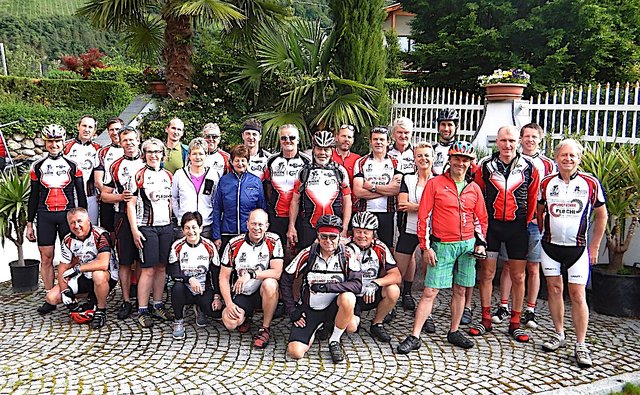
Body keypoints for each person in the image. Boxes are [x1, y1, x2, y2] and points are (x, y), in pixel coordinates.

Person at [397, 141, 488, 353]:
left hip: (467, 247)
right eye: (457, 158)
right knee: (430, 291)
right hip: (442, 244)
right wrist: (425, 247)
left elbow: (480, 219)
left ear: (470, 164)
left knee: (460, 290)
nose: (460, 163)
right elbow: (423, 217)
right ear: (450, 159)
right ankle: (414, 335)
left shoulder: (474, 188)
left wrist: (481, 244)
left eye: (465, 160)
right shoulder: (436, 184)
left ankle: (454, 331)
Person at [538, 139, 607, 368]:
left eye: (572, 156)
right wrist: (543, 233)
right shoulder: (546, 182)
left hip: (578, 249)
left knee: (577, 294)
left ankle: (581, 344)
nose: (568, 159)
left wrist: (594, 246)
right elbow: (540, 211)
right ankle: (559, 334)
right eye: (563, 155)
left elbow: (601, 216)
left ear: (579, 158)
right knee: (554, 290)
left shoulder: (590, 183)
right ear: (556, 157)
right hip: (550, 246)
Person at [471, 125, 540, 342]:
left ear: (517, 141)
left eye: (511, 140)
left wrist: (524, 222)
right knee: (487, 274)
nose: (507, 145)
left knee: (519, 276)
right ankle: (486, 319)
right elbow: (478, 195)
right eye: (503, 141)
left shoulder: (530, 167)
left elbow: (532, 199)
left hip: (517, 227)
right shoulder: (486, 166)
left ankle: (515, 323)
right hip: (491, 227)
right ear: (497, 142)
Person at [495, 123, 556, 329]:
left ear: (540, 140)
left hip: (535, 222)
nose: (530, 140)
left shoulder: (548, 164)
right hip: (515, 221)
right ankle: (503, 305)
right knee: (509, 265)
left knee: (533, 266)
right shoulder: (513, 160)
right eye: (526, 136)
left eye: (534, 137)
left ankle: (530, 309)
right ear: (520, 139)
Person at [280, 215, 362, 363]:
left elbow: (357, 285)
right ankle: (322, 327)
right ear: (317, 236)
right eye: (324, 236)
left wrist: (327, 287)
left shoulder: (347, 254)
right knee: (295, 352)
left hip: (335, 308)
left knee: (350, 314)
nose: (328, 241)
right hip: (311, 309)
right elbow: (286, 280)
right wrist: (292, 311)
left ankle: (334, 340)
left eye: (333, 237)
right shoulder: (308, 253)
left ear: (339, 236)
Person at [27, 124, 87, 315]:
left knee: (73, 257)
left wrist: (84, 221)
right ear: (45, 143)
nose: (54, 145)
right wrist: (29, 223)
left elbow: (81, 195)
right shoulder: (37, 166)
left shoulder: (72, 165)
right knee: (46, 257)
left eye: (57, 141)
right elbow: (34, 196)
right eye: (50, 141)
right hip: (45, 215)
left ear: (63, 142)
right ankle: (49, 297)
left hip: (67, 216)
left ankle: (73, 292)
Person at [44, 208, 118, 329]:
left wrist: (78, 268)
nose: (76, 226)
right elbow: (63, 266)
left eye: (79, 221)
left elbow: (103, 263)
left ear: (88, 220)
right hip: (83, 275)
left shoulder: (101, 234)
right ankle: (90, 296)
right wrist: (65, 292)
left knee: (98, 275)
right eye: (72, 223)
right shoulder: (67, 240)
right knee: (51, 297)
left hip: (106, 275)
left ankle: (101, 310)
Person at [219, 209, 284, 348]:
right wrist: (229, 303)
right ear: (247, 224)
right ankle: (245, 317)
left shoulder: (274, 240)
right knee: (230, 323)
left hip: (263, 292)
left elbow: (277, 272)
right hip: (243, 292)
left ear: (267, 226)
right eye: (253, 224)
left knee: (270, 284)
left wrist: (251, 274)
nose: (257, 228)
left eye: (260, 224)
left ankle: (264, 328)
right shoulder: (234, 244)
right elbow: (223, 277)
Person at [127, 137, 174, 328]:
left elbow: (171, 203)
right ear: (144, 154)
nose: (154, 155)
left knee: (162, 267)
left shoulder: (168, 175)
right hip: (146, 226)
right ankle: (143, 309)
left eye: (157, 152)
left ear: (163, 154)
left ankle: (158, 304)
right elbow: (129, 204)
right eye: (150, 152)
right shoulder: (138, 175)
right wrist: (134, 230)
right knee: (147, 269)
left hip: (166, 226)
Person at [100, 126, 145, 320]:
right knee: (125, 261)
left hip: (146, 218)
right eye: (125, 140)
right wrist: (119, 196)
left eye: (132, 139)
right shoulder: (115, 165)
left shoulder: (148, 161)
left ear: (138, 140)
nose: (129, 143)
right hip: (122, 218)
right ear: (120, 141)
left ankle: (143, 300)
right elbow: (103, 195)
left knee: (143, 261)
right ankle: (126, 300)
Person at [287, 131, 352, 250]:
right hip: (309, 226)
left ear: (332, 150)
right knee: (307, 261)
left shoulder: (340, 171)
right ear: (313, 149)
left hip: (333, 227)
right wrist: (291, 226)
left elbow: (348, 202)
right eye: (319, 149)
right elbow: (295, 201)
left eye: (326, 149)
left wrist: (345, 228)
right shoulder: (304, 171)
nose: (322, 153)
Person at [347, 211, 401, 342]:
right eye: (358, 231)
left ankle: (377, 323)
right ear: (353, 232)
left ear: (373, 233)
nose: (362, 236)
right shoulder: (344, 246)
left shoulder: (380, 247)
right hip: (350, 295)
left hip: (371, 293)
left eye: (366, 232)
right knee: (351, 327)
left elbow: (396, 275)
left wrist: (376, 283)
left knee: (393, 290)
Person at [168, 212, 222, 339]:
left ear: (200, 228)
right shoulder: (177, 246)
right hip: (185, 289)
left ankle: (200, 308)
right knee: (176, 287)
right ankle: (178, 321)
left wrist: (216, 296)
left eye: (194, 227)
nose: (191, 232)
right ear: (182, 230)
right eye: (187, 228)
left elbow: (215, 273)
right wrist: (189, 279)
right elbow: (173, 272)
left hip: (203, 289)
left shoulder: (209, 246)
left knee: (216, 312)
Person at [394, 142, 434, 311]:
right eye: (419, 156)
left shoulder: (439, 180)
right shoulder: (408, 178)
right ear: (414, 159)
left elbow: (442, 207)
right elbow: (402, 204)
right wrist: (428, 207)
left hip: (432, 232)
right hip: (408, 229)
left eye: (426, 155)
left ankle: (427, 313)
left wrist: (416, 206)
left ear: (432, 158)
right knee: (396, 272)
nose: (423, 159)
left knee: (429, 275)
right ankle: (391, 306)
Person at [352, 126, 402, 250]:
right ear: (370, 141)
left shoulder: (396, 162)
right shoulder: (361, 162)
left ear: (388, 142)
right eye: (375, 139)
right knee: (363, 247)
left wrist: (372, 187)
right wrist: (386, 190)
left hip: (388, 213)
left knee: (387, 249)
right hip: (365, 212)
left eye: (381, 139)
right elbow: (358, 192)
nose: (378, 142)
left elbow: (396, 190)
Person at [212, 144, 267, 253]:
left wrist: (262, 233)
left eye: (243, 160)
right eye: (237, 160)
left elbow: (262, 209)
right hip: (227, 232)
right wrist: (216, 236)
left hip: (249, 233)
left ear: (248, 162)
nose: (240, 164)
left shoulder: (256, 182)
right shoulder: (224, 181)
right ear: (231, 162)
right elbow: (217, 209)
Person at [263, 124, 310, 249]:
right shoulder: (271, 161)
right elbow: (267, 185)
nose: (288, 141)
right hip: (277, 215)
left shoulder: (307, 162)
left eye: (292, 137)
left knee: (299, 251)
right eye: (284, 138)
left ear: (298, 140)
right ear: (280, 140)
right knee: (277, 251)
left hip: (300, 215)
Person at [172, 138, 219, 240]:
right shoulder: (179, 174)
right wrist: (180, 216)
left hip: (206, 225)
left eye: (201, 154)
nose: (198, 157)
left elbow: (215, 199)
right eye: (194, 154)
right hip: (185, 226)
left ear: (206, 155)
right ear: (189, 155)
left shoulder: (213, 175)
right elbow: (174, 198)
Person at [63, 115, 100, 224]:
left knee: (91, 228)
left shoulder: (98, 149)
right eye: (84, 126)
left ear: (94, 130)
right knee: (70, 229)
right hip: (69, 196)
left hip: (90, 197)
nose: (87, 129)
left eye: (90, 127)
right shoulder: (66, 147)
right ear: (78, 126)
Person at [95, 117, 124, 233]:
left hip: (127, 199)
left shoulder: (135, 150)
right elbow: (98, 180)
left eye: (118, 129)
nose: (115, 132)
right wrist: (110, 197)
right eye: (111, 130)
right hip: (108, 199)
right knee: (108, 232)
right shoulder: (102, 152)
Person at [432, 109, 459, 176]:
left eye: (449, 125)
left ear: (456, 127)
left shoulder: (461, 150)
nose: (446, 129)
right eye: (443, 124)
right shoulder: (431, 150)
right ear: (438, 127)